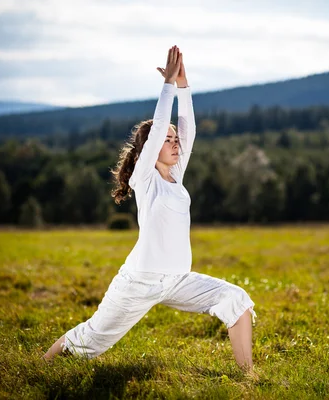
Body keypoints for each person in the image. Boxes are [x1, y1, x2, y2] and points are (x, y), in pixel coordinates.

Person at [42, 45, 257, 374]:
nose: (174, 142)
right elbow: (159, 125)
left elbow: (189, 130)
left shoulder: (175, 176)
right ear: (149, 149)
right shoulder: (145, 178)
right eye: (167, 139)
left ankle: (248, 377)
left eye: (174, 139)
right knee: (91, 342)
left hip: (176, 279)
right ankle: (40, 366)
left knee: (236, 300)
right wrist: (168, 84)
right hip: (139, 282)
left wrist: (184, 86)